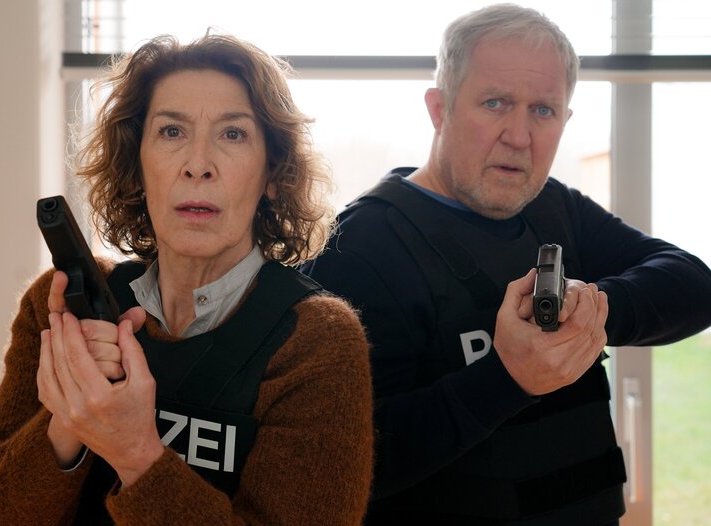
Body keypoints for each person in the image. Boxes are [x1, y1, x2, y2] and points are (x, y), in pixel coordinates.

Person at [302, 4, 711, 525]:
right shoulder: (360, 248)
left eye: (543, 110)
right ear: (439, 108)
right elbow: (339, 462)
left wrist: (585, 312)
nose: (520, 136)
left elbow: (693, 285)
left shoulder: (551, 207)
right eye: (495, 103)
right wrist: (508, 377)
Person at [0, 34, 373, 525]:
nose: (198, 165)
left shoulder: (316, 340)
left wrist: (135, 452)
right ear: (135, 167)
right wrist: (67, 419)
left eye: (233, 134)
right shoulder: (62, 304)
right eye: (172, 132)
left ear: (273, 174)